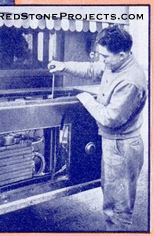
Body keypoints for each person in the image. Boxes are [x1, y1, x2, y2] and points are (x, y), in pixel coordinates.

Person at [48, 25, 147, 232]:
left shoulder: (130, 80)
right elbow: (92, 69)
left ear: (121, 54)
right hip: (113, 144)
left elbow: (110, 118)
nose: (102, 61)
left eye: (105, 56)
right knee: (110, 200)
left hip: (122, 147)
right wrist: (63, 66)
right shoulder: (116, 64)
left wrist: (87, 100)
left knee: (118, 209)